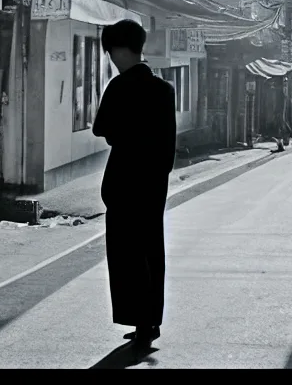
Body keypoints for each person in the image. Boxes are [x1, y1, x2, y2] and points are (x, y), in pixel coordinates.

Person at [92, 19, 177, 349]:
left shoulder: (120, 86)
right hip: (154, 183)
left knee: (127, 255)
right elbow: (167, 143)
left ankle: (140, 320)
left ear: (121, 50)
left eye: (112, 51)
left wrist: (122, 134)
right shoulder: (164, 90)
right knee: (152, 251)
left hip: (125, 181)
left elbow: (101, 129)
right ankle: (151, 320)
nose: (112, 58)